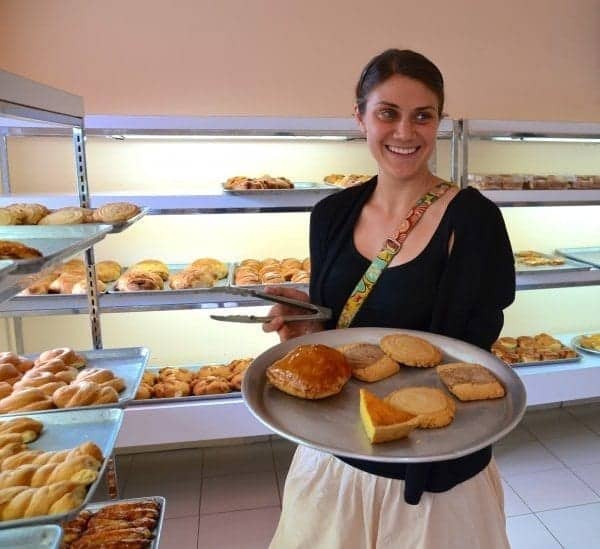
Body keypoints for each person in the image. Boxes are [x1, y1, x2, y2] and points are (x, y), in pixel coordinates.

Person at [263, 49, 515, 549]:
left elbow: (469, 359)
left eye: (423, 116)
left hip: (432, 478)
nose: (405, 132)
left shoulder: (474, 221)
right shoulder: (331, 214)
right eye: (387, 113)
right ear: (359, 117)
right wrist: (310, 327)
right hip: (335, 457)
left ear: (439, 121)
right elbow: (340, 327)